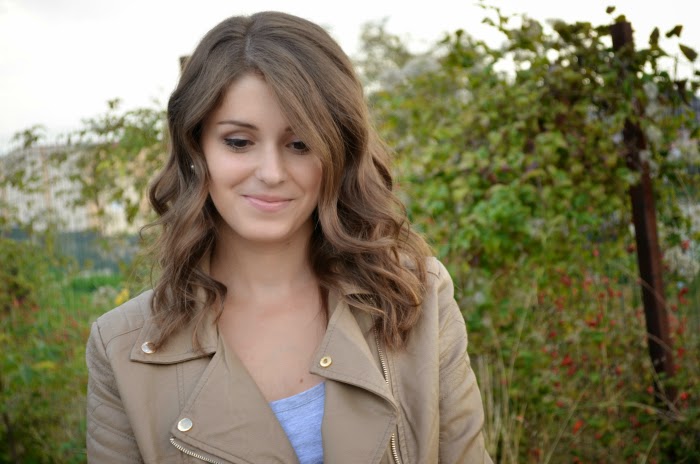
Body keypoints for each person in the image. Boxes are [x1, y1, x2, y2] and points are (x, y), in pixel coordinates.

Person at [86, 11, 492, 464]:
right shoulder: (120, 348)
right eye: (239, 142)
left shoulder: (417, 298)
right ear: (195, 148)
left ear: (339, 152)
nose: (272, 173)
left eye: (300, 144)